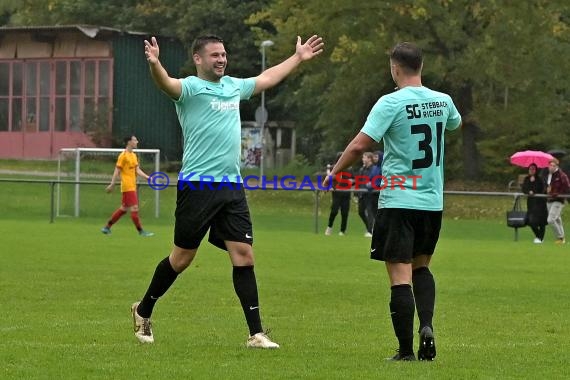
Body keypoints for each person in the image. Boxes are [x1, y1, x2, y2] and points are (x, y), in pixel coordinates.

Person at [131, 34, 324, 348]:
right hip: (197, 185)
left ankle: (256, 333)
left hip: (232, 186)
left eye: (223, 54)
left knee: (244, 256)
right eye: (214, 55)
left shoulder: (234, 86)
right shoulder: (190, 89)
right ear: (198, 59)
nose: (221, 59)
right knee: (181, 259)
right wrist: (155, 63)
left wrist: (298, 57)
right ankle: (143, 309)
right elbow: (166, 83)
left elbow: (267, 78)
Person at [323, 42, 461, 361]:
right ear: (421, 67)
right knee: (422, 267)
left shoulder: (390, 103)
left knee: (400, 276)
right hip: (431, 201)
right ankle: (426, 326)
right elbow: (454, 124)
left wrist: (335, 173)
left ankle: (405, 352)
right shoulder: (444, 101)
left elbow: (359, 146)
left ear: (395, 68)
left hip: (399, 199)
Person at [101, 135, 154, 237]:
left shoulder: (133, 156)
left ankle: (106, 227)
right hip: (127, 186)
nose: (137, 141)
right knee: (134, 208)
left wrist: (147, 177)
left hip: (131, 186)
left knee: (124, 209)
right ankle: (141, 231)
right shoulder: (123, 155)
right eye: (135, 140)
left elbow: (137, 170)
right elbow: (117, 170)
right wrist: (112, 183)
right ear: (129, 142)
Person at [325, 152, 352, 236]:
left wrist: (352, 181)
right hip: (337, 193)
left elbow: (354, 180)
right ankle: (329, 227)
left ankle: (342, 231)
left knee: (345, 212)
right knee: (334, 211)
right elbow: (328, 178)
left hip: (346, 194)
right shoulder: (334, 168)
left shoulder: (349, 169)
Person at [521, 163, 548, 243]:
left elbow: (543, 189)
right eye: (530, 169)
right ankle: (538, 236)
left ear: (536, 170)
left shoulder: (540, 179)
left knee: (541, 221)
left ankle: (540, 238)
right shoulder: (526, 179)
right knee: (530, 221)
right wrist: (529, 190)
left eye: (533, 169)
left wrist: (534, 187)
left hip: (540, 203)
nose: (531, 170)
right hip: (531, 203)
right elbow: (524, 189)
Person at [546, 158, 570, 244]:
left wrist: (558, 193)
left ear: (557, 166)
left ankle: (560, 237)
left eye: (553, 166)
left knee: (550, 220)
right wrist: (547, 190)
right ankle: (562, 240)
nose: (551, 167)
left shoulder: (562, 175)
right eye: (550, 165)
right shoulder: (548, 175)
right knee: (557, 220)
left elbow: (567, 188)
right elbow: (547, 187)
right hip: (549, 200)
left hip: (558, 200)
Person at [356, 152, 377, 237]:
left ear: (369, 159)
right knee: (360, 212)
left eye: (364, 158)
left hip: (370, 194)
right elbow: (359, 182)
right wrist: (356, 194)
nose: (363, 160)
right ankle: (370, 227)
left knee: (370, 212)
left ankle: (370, 231)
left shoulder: (374, 169)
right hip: (362, 194)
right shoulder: (362, 169)